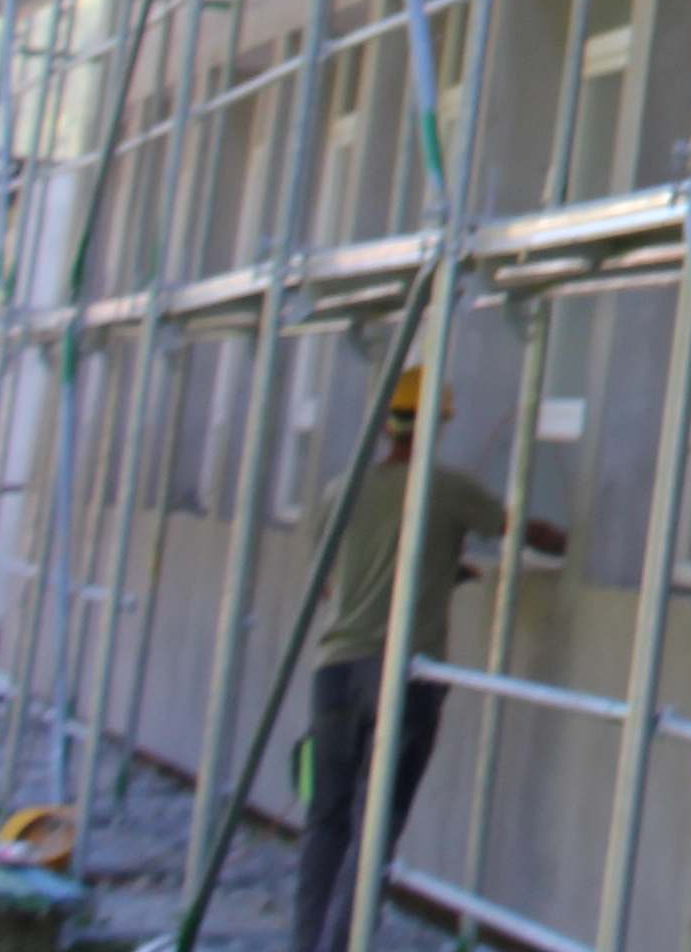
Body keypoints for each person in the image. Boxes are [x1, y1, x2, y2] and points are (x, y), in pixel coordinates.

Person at [291, 367, 563, 952]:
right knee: (375, 830)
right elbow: (523, 530)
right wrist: (580, 542)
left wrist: (434, 573)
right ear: (437, 423)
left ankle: (306, 943)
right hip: (402, 676)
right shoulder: (443, 488)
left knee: (327, 822)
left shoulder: (341, 490)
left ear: (385, 423)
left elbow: (332, 587)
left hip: (335, 671)